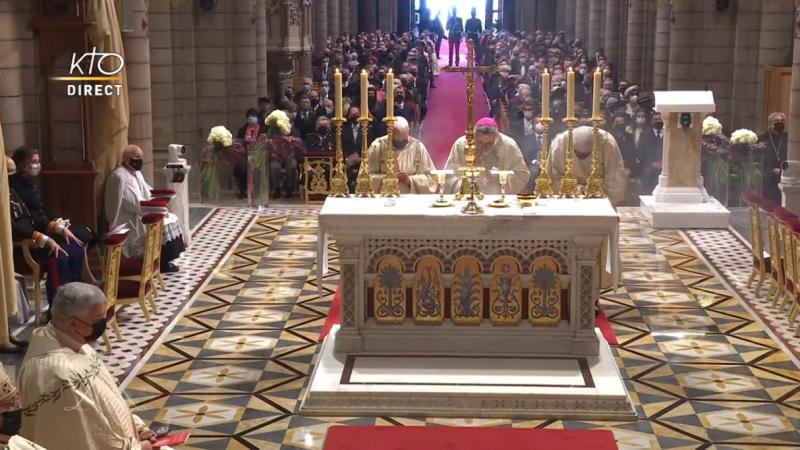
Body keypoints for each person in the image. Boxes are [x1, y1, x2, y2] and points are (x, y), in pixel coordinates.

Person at [18, 283, 160, 450]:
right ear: (73, 323)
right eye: (98, 320)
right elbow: (87, 440)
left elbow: (107, 399)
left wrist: (138, 429)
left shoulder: (73, 342)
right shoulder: (58, 377)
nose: (103, 325)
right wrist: (139, 448)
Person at [8, 151, 87, 306]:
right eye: (8, 172)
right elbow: (14, 228)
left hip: (34, 238)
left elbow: (32, 216)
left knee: (76, 250)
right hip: (22, 246)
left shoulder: (14, 191)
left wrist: (58, 228)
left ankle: (77, 300)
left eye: (13, 171)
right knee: (60, 256)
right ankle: (59, 308)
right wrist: (46, 239)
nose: (12, 175)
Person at [104, 145, 186, 272]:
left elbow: (148, 192)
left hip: (139, 213)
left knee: (171, 218)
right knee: (163, 221)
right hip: (128, 220)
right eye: (137, 157)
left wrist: (161, 201)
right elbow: (133, 204)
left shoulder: (136, 173)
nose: (140, 160)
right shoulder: (120, 176)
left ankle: (164, 261)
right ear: (127, 159)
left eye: (141, 157)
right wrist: (158, 208)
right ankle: (159, 263)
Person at [444, 117, 531, 195]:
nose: (484, 147)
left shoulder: (509, 146)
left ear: (496, 138)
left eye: (489, 143)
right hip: (468, 197)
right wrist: (463, 184)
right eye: (480, 143)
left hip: (498, 198)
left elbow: (522, 175)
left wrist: (500, 179)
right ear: (474, 137)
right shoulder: (462, 145)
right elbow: (448, 176)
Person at [548, 125, 628, 206]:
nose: (581, 156)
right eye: (577, 152)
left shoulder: (607, 142)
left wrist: (597, 195)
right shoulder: (559, 143)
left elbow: (615, 179)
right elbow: (553, 177)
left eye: (586, 154)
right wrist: (573, 187)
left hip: (600, 195)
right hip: (569, 197)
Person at [368, 116, 436, 194]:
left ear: (408, 132)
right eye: (396, 142)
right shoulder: (377, 146)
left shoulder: (418, 147)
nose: (400, 145)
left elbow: (432, 178)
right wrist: (389, 179)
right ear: (389, 133)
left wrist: (410, 180)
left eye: (404, 141)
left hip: (411, 199)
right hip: (385, 197)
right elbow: (364, 178)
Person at [236, 108, 267, 199]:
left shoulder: (263, 129)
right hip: (245, 154)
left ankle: (258, 190)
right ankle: (243, 190)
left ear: (257, 118)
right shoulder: (242, 130)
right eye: (249, 116)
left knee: (258, 166)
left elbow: (265, 142)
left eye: (253, 116)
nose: (251, 118)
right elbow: (239, 142)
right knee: (242, 166)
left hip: (260, 154)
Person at [759, 112, 788, 204]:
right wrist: (770, 169)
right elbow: (759, 157)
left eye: (782, 121)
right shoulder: (763, 138)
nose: (780, 123)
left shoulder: (787, 138)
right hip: (768, 177)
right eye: (777, 121)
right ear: (770, 123)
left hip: (784, 176)